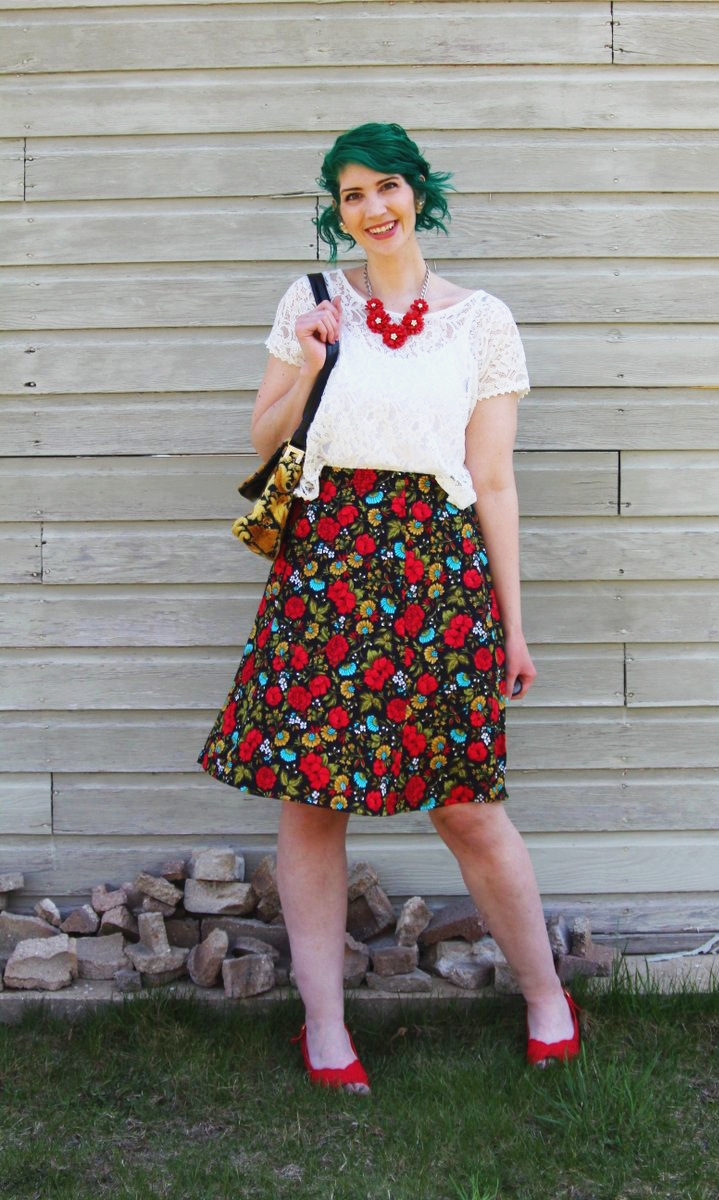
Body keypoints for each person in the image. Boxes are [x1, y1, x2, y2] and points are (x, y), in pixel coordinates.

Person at [199, 122, 581, 1095]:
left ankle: (545, 997)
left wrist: (513, 623)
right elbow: (262, 437)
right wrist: (315, 356)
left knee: (467, 806)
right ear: (337, 213)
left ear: (420, 193)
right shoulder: (313, 300)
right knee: (312, 803)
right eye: (350, 195)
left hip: (436, 573)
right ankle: (324, 1029)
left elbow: (491, 480)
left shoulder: (479, 320)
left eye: (386, 187)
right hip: (326, 567)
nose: (371, 208)